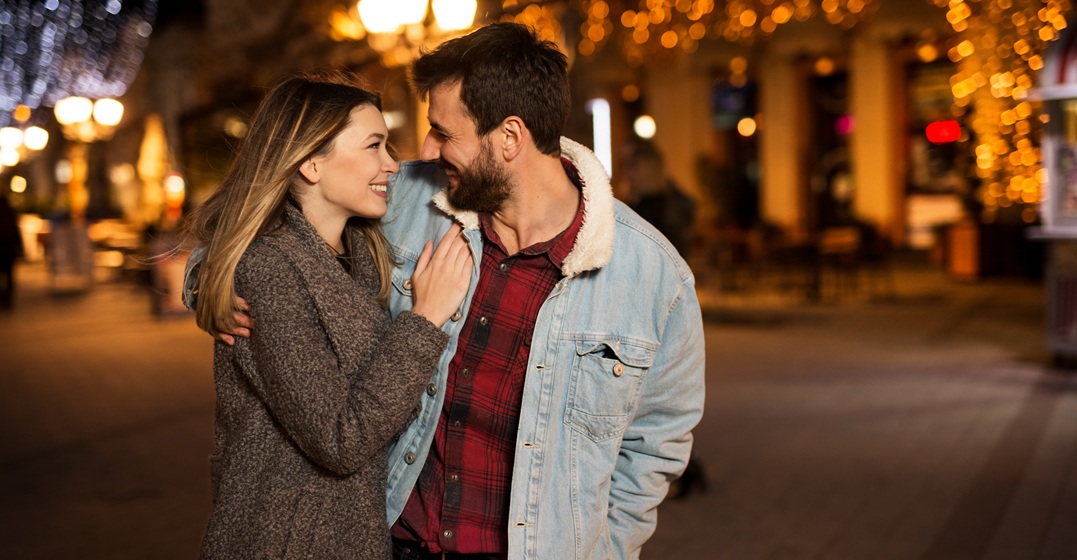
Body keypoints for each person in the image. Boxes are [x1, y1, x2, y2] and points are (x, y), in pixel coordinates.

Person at [189, 23, 705, 560]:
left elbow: (655, 446)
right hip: (387, 541)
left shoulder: (654, 276)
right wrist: (212, 284)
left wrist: (609, 550)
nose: (426, 148)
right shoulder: (404, 199)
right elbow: (266, 224)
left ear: (509, 137)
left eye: (443, 131)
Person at [184, 72, 473, 559]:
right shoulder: (266, 269)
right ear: (312, 164)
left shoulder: (360, 249)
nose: (392, 164)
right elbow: (341, 438)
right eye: (374, 146)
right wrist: (425, 319)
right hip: (283, 539)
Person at [621, 140, 697, 257]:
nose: (627, 173)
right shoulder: (672, 202)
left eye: (633, 166)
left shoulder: (646, 210)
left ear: (648, 170)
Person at [0, 195, 24, 309]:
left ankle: (4, 298)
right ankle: (8, 298)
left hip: (5, 249)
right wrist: (20, 248)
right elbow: (16, 231)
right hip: (9, 249)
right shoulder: (10, 212)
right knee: (9, 275)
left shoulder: (9, 213)